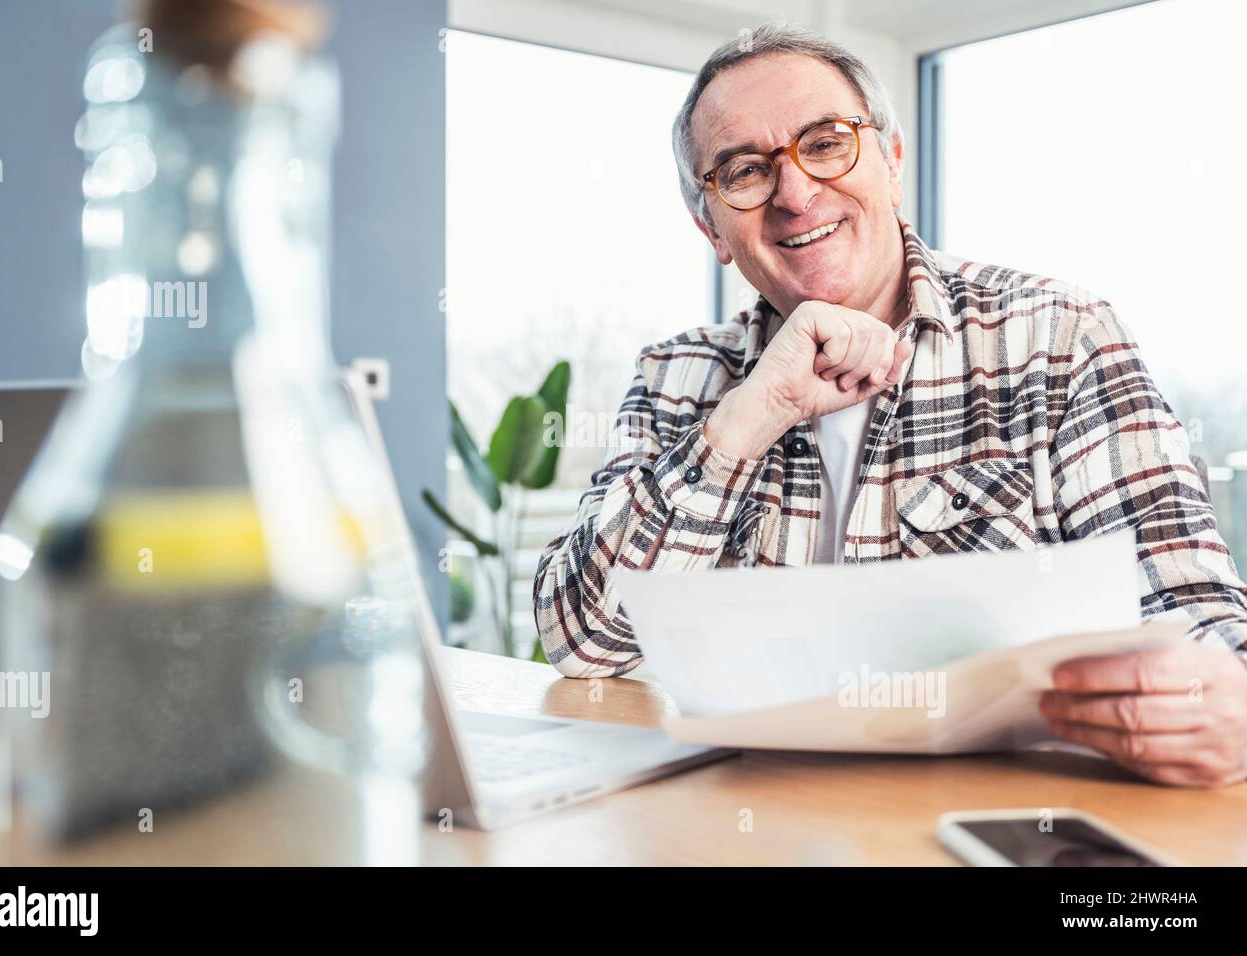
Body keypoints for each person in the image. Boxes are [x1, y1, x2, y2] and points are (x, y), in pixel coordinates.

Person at [533, 22, 1247, 787]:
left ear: (894, 162)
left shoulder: (1059, 336)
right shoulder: (677, 375)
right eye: (744, 171)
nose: (796, 193)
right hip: (748, 828)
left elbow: (1195, 615)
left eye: (827, 142)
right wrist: (750, 414)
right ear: (712, 228)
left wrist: (1223, 702)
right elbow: (585, 642)